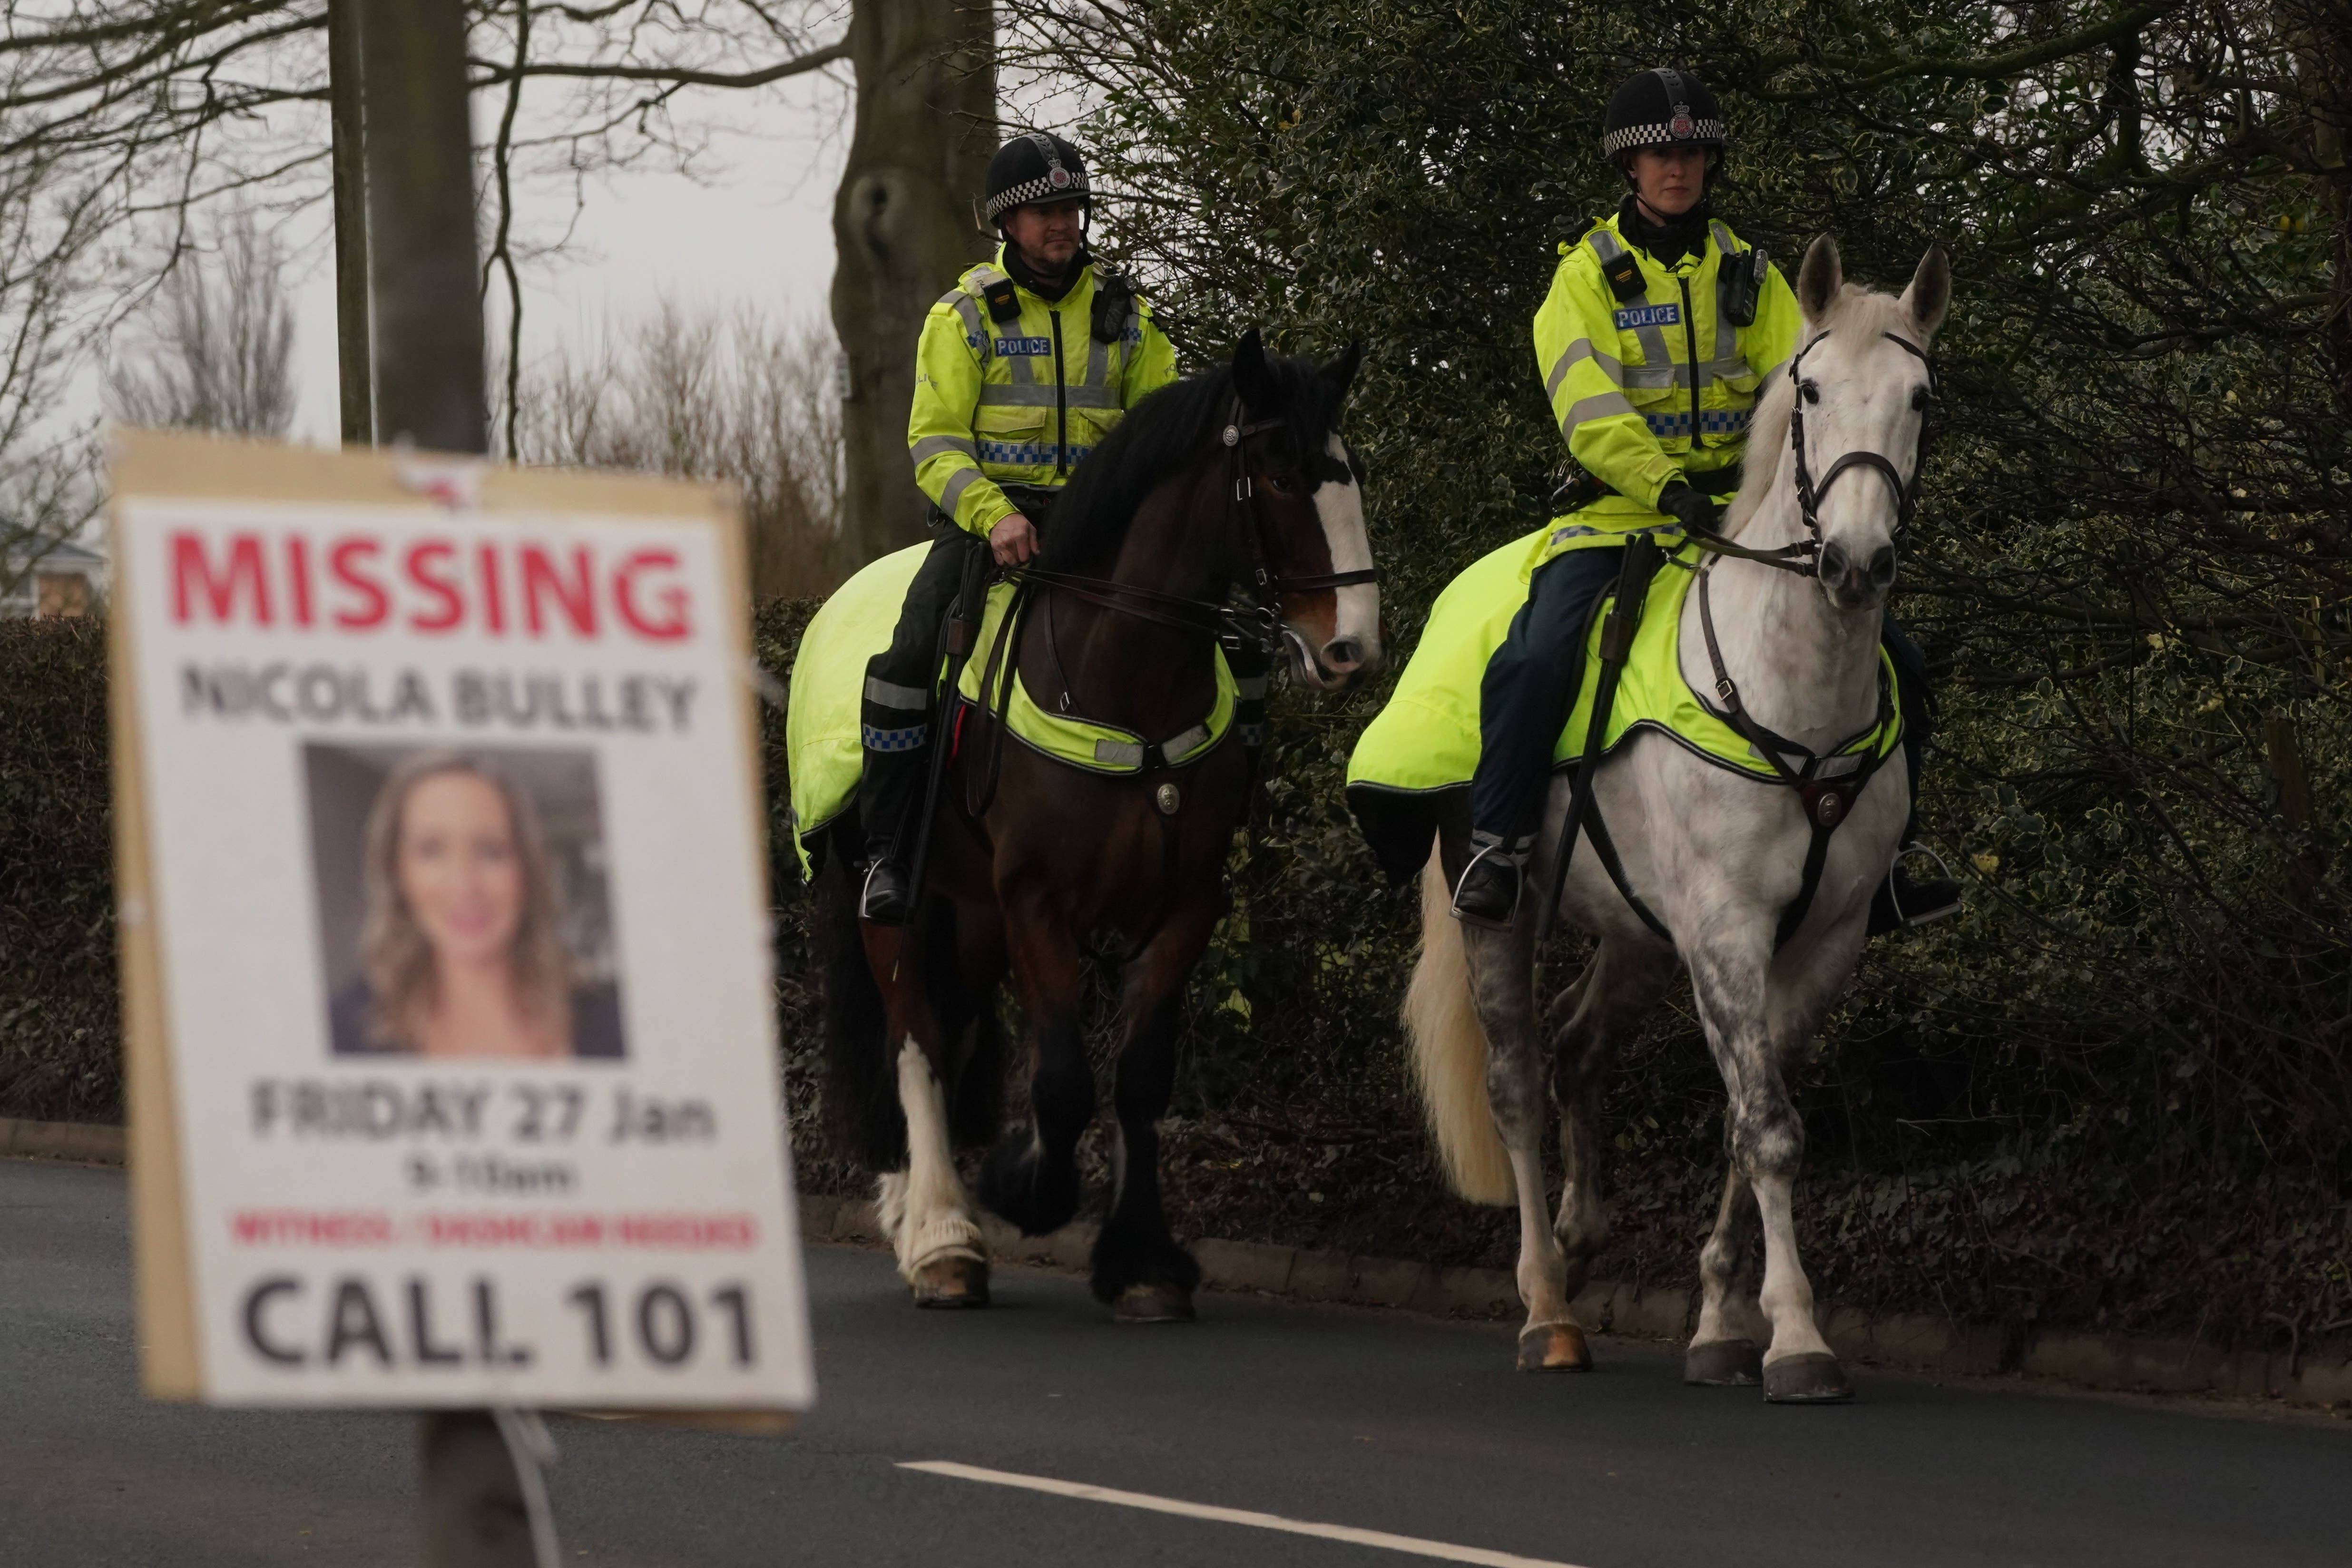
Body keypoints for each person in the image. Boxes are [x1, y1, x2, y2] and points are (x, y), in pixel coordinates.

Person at [1450, 67, 1960, 932]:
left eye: (1688, 153)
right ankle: (1496, 842)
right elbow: (1587, 410)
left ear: (1706, 164)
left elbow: (1810, 389)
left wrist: (1766, 493)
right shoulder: (1582, 278)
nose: (1674, 169)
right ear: (1629, 169)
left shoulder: (1756, 277)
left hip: (1739, 525)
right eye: (1656, 155)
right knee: (1535, 659)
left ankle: (1891, 857)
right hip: (1618, 517)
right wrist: (1662, 483)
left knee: (1899, 664)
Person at [857, 131, 1177, 924]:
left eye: (1071, 207)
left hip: (1098, 533)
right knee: (904, 661)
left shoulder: (1126, 312)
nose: (1061, 223)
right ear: (1006, 223)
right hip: (989, 530)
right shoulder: (964, 314)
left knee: (1223, 639)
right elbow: (932, 443)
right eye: (1043, 211)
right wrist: (993, 513)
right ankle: (885, 854)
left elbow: (1165, 426)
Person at [330, 751, 623, 1059]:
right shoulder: (344, 1031)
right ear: (398, 873)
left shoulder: (611, 1016)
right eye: (432, 851)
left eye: (491, 851)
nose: (465, 885)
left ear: (525, 870)